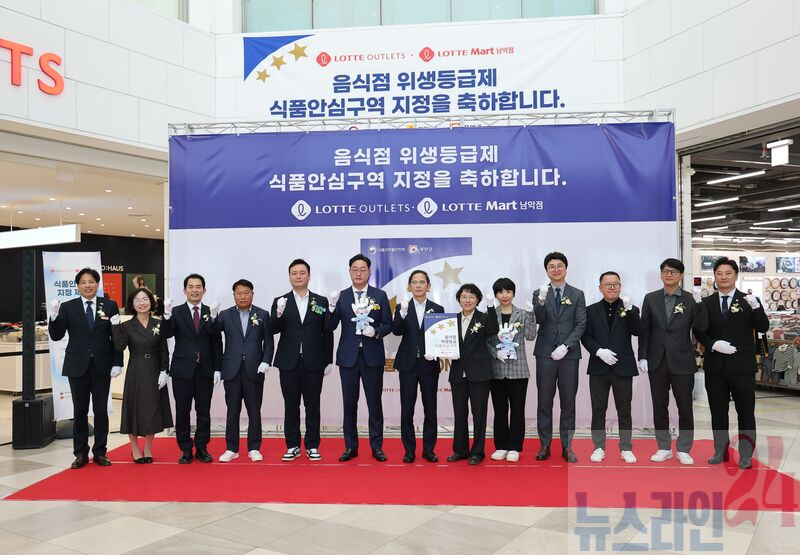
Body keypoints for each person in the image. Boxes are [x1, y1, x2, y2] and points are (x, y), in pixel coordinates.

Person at [694, 257, 769, 469]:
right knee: (718, 412)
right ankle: (720, 450)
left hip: (742, 367)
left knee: (746, 412)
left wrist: (756, 308)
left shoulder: (749, 300)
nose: (723, 277)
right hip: (715, 367)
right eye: (719, 273)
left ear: (736, 275)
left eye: (728, 273)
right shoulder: (706, 303)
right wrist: (713, 344)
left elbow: (763, 327)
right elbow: (699, 330)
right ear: (714, 277)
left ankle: (746, 454)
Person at [48, 267, 123, 469]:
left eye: (91, 281)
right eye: (83, 282)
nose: (87, 285)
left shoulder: (109, 305)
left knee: (100, 411)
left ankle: (100, 452)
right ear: (77, 286)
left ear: (97, 284)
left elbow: (116, 337)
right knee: (80, 411)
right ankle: (80, 453)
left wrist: (117, 362)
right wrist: (54, 316)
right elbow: (56, 335)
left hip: (102, 366)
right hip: (77, 366)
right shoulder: (68, 307)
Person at [638, 258, 708, 465]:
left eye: (674, 272)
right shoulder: (650, 298)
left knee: (685, 407)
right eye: (665, 271)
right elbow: (644, 331)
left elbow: (702, 327)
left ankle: (684, 448)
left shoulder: (689, 299)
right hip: (656, 361)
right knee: (659, 406)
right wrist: (642, 356)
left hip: (682, 361)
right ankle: (664, 447)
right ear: (661, 274)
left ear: (681, 276)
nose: (669, 275)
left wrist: (700, 304)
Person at [325, 254, 392, 462]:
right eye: (355, 269)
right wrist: (331, 307)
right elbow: (330, 326)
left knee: (375, 404)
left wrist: (376, 331)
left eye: (363, 269)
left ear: (369, 272)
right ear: (349, 272)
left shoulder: (380, 295)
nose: (359, 273)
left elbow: (389, 324)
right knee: (349, 404)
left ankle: (376, 447)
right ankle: (350, 447)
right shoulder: (342, 296)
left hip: (372, 357)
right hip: (348, 358)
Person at [270, 259, 335, 462]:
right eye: (294, 273)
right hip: (288, 361)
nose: (298, 276)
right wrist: (278, 313)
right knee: (291, 406)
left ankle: (312, 445)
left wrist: (328, 360)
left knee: (312, 405)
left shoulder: (320, 301)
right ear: (289, 276)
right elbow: (273, 329)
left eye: (302, 273)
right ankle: (292, 445)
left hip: (314, 361)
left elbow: (328, 331)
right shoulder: (280, 301)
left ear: (309, 276)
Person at [580, 271, 641, 464]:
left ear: (620, 287)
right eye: (608, 284)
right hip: (599, 366)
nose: (612, 287)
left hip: (623, 367)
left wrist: (629, 310)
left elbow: (637, 330)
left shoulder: (631, 308)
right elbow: (585, 336)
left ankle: (626, 448)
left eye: (616, 284)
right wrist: (598, 351)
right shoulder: (590, 310)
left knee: (625, 410)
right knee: (598, 409)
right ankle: (598, 447)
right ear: (600, 288)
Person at [210, 279, 273, 462]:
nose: (243, 296)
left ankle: (254, 447)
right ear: (234, 295)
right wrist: (213, 316)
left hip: (255, 369)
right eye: (239, 293)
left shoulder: (262, 314)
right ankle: (232, 448)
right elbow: (213, 333)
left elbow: (269, 342)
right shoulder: (225, 314)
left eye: (246, 293)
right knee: (232, 411)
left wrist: (266, 361)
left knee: (254, 410)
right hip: (231, 369)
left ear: (252, 294)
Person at [162, 273, 222, 464]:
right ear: (184, 290)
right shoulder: (176, 311)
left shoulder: (211, 311)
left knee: (203, 411)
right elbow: (166, 333)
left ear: (204, 290)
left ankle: (202, 447)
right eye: (191, 286)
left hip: (205, 369)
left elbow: (216, 341)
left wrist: (217, 368)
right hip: (182, 369)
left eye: (198, 287)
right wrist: (166, 315)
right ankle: (186, 449)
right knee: (182, 411)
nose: (194, 290)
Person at [533, 252, 587, 463]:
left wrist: (566, 346)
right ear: (546, 270)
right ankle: (544, 445)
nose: (556, 270)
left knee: (568, 402)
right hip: (545, 354)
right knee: (544, 402)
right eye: (551, 267)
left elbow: (581, 324)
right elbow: (539, 319)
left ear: (566, 268)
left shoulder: (577, 294)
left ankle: (567, 446)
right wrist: (540, 301)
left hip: (569, 356)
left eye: (559, 266)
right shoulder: (539, 292)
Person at [110, 288, 173, 463]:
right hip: (136, 369)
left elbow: (164, 349)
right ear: (132, 304)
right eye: (137, 300)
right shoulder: (126, 326)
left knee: (153, 408)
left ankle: (148, 448)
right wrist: (115, 327)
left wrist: (164, 370)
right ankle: (135, 447)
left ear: (151, 302)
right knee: (134, 407)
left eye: (145, 299)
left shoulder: (158, 323)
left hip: (154, 368)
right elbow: (120, 346)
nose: (142, 303)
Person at [392, 269, 444, 463]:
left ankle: (429, 449)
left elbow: (440, 337)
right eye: (415, 282)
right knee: (407, 410)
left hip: (429, 364)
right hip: (408, 365)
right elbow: (396, 331)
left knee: (430, 408)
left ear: (428, 286)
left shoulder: (437, 308)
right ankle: (409, 450)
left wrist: (436, 352)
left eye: (422, 282)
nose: (418, 285)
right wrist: (401, 314)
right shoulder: (402, 306)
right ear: (409, 286)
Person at [447, 283, 499, 465]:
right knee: (459, 413)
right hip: (458, 373)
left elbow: (493, 330)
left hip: (479, 373)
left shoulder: (483, 318)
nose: (467, 300)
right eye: (464, 297)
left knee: (479, 414)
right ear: (459, 300)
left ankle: (477, 452)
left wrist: (491, 307)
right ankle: (460, 450)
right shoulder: (450, 320)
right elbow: (442, 342)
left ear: (477, 300)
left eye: (471, 297)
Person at [487, 277, 537, 463]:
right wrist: (495, 353)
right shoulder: (490, 315)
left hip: (519, 370)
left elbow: (531, 336)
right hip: (497, 370)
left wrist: (531, 314)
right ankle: (501, 446)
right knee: (499, 410)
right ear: (496, 295)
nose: (504, 295)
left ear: (514, 293)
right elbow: (485, 341)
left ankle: (515, 447)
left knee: (517, 410)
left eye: (508, 291)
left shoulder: (522, 314)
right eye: (500, 292)